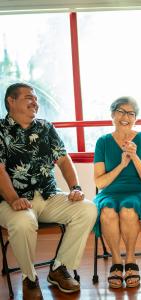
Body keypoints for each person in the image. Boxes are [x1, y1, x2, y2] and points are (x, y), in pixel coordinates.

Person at [0, 83, 97, 299]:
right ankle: (29, 278)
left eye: (36, 98)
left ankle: (59, 268)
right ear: (11, 101)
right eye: (28, 97)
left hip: (48, 196)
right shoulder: (0, 131)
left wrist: (76, 188)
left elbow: (63, 159)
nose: (35, 102)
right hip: (12, 201)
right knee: (23, 221)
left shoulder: (45, 127)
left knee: (88, 209)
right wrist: (14, 199)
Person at [93, 96, 141, 289]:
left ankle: (130, 260)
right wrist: (122, 165)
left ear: (135, 118)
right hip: (110, 193)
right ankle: (115, 261)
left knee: (129, 209)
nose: (125, 117)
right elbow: (100, 181)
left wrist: (135, 157)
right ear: (113, 114)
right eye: (121, 111)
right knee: (107, 210)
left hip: (140, 192)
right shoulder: (103, 142)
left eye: (131, 113)